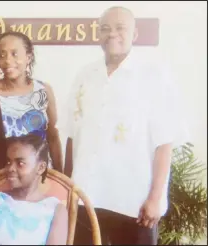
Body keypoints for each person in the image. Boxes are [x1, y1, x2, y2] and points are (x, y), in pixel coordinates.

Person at [63, 6, 188, 245]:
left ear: (135, 34)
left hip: (133, 203)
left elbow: (164, 143)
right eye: (105, 29)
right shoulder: (85, 76)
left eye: (120, 28)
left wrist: (155, 198)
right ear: (98, 34)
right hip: (86, 198)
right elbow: (71, 136)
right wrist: (69, 189)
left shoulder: (154, 77)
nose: (112, 34)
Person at [0, 31, 63, 174]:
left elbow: (53, 138)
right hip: (7, 177)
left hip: (41, 177)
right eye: (2, 55)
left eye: (14, 54)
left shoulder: (44, 90)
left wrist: (61, 177)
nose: (7, 60)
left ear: (28, 57)